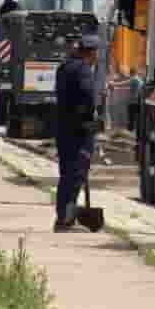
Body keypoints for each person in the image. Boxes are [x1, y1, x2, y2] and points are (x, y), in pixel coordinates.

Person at [52, 32, 104, 232]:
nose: (97, 56)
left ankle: (64, 216)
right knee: (76, 175)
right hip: (79, 130)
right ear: (91, 53)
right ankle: (65, 219)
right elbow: (87, 96)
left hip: (64, 129)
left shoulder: (64, 67)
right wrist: (91, 116)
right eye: (96, 52)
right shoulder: (83, 70)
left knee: (67, 174)